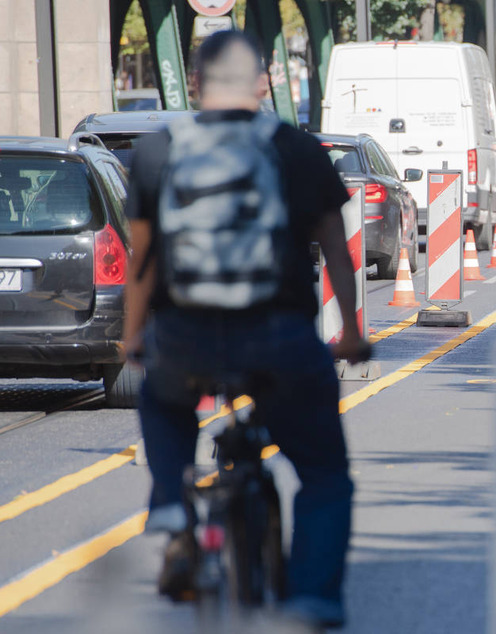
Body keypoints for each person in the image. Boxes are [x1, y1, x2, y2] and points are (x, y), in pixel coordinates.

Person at [122, 30, 369, 630]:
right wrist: (352, 336)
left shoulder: (158, 151)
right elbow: (338, 250)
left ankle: (171, 507)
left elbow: (143, 262)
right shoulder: (295, 147)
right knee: (324, 475)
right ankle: (312, 598)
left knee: (163, 397)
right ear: (263, 82)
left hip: (185, 336)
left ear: (198, 82)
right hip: (280, 336)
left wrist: (134, 340)